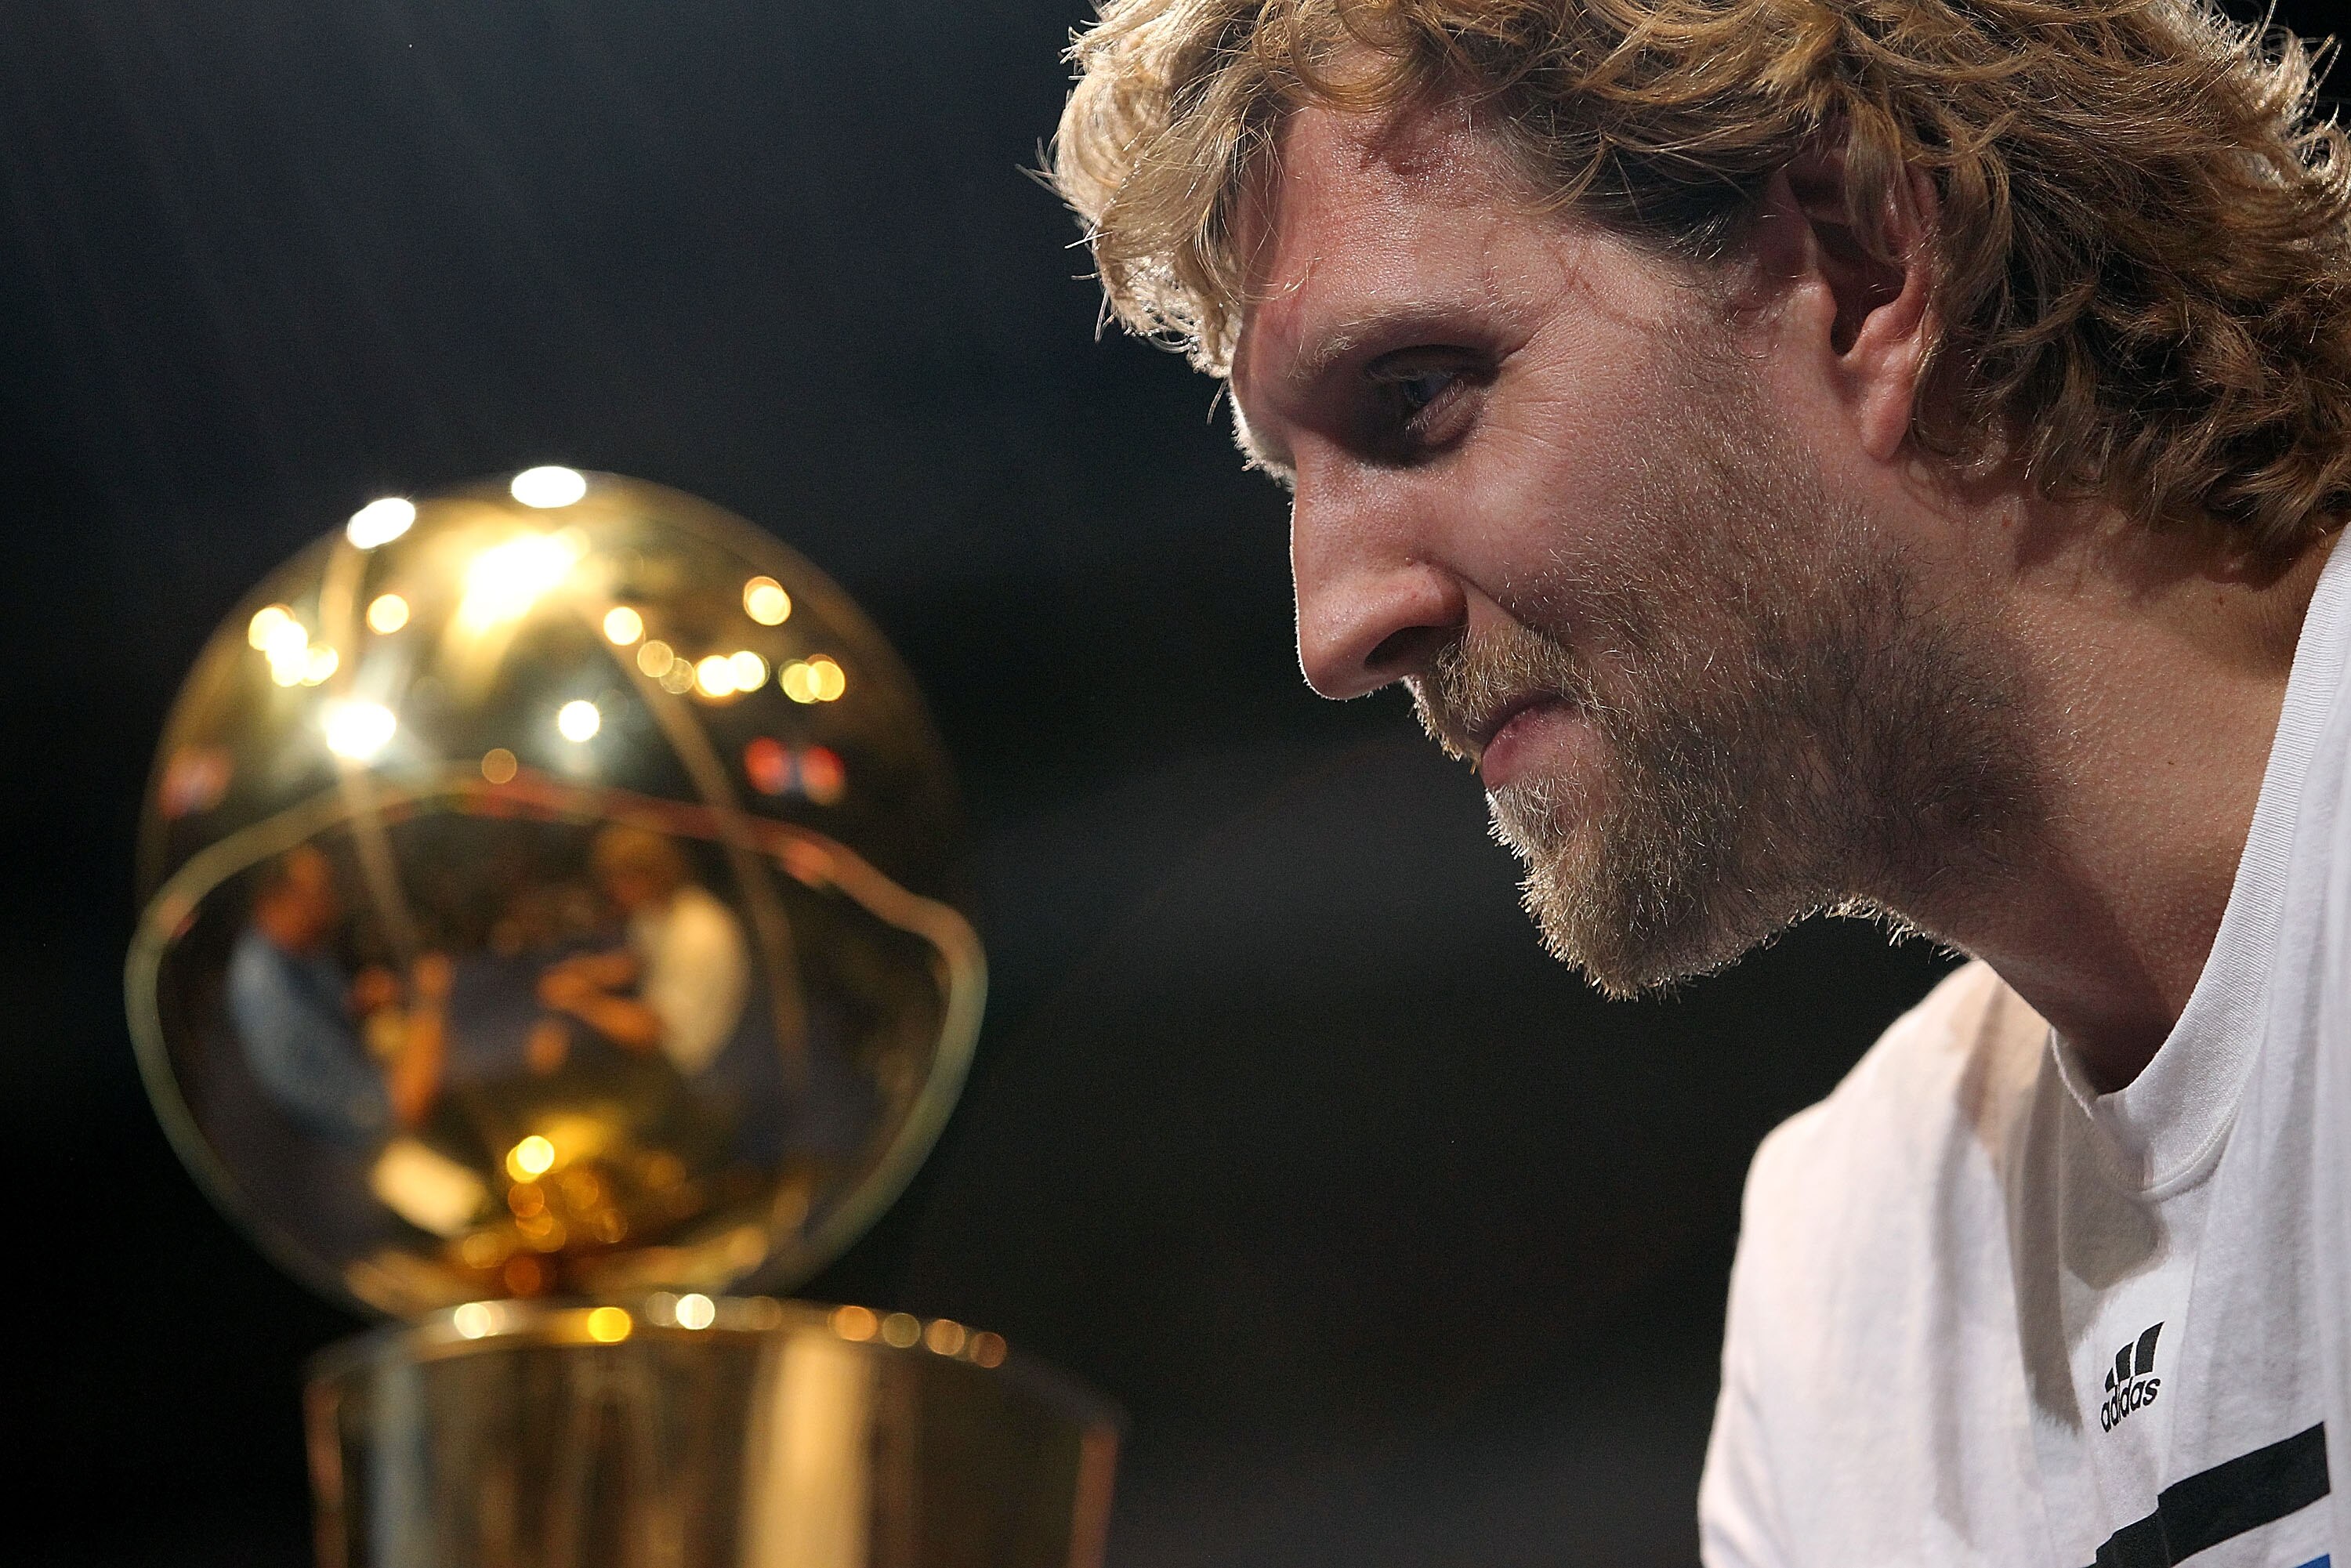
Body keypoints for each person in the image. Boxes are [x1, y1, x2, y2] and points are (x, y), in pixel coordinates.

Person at [1053, 1, 2351, 1561]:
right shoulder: (1849, 1276)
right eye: (1293, 476)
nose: (1337, 630)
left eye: (1416, 397)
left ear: (1864, 277)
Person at [227, 845, 446, 1151]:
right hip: (346, 1163)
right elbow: (407, 1105)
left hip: (366, 1090)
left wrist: (359, 999)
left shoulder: (291, 946)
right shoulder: (272, 1006)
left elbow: (333, 1005)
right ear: (278, 901)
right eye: (319, 893)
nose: (333, 904)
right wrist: (431, 1001)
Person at [538, 826, 752, 1077]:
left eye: (621, 881)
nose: (613, 891)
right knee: (554, 1039)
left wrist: (581, 1000)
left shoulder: (698, 935)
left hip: (687, 1061)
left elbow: (652, 1032)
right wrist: (589, 972)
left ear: (652, 876)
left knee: (555, 1065)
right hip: (658, 1025)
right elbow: (645, 959)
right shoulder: (657, 910)